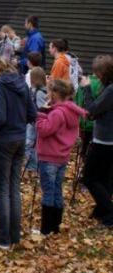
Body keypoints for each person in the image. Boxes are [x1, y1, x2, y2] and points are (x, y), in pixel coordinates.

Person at [0, 55, 37, 250]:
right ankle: (14, 235)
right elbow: (32, 114)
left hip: (5, 141)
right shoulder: (21, 81)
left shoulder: (1, 85)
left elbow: (0, 117)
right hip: (19, 140)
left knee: (2, 189)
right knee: (13, 187)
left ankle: (3, 239)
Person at [35, 79, 85, 235]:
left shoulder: (57, 113)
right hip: (61, 156)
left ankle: (46, 228)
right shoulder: (70, 111)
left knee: (49, 191)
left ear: (55, 94)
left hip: (50, 156)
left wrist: (42, 113)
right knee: (57, 190)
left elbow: (44, 130)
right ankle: (55, 226)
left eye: (49, 92)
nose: (48, 94)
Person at [80, 55, 113, 228]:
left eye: (97, 73)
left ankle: (109, 211)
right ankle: (102, 211)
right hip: (107, 139)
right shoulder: (108, 88)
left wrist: (85, 89)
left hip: (105, 141)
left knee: (90, 178)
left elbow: (91, 110)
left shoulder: (110, 90)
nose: (96, 76)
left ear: (104, 72)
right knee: (105, 178)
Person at [25, 67, 48, 173]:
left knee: (29, 144)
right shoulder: (43, 89)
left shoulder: (39, 92)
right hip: (34, 121)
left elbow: (41, 109)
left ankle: (33, 166)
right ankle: (34, 165)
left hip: (35, 122)